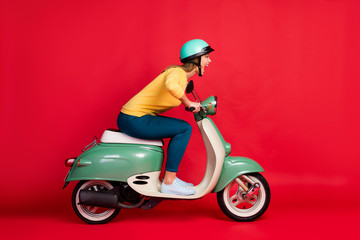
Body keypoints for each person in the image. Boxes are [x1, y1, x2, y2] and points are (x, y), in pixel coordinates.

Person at [117, 39, 214, 196]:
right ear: (196, 58)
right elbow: (171, 86)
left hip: (136, 117)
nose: (209, 61)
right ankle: (169, 181)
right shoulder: (177, 73)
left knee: (182, 127)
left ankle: (171, 180)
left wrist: (189, 105)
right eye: (206, 57)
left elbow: (171, 92)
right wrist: (188, 102)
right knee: (184, 129)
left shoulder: (181, 77)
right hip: (133, 118)